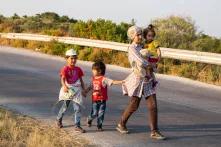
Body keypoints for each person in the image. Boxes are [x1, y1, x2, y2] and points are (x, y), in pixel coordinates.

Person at [116, 26, 166, 140]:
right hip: (138, 79)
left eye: (140, 34)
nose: (140, 37)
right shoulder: (132, 49)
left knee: (153, 105)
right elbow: (140, 61)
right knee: (134, 105)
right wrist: (150, 65)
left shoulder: (143, 46)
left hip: (147, 79)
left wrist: (154, 60)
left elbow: (150, 56)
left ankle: (154, 131)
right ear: (132, 36)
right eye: (137, 35)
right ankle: (121, 124)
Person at [85, 61, 123, 131]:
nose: (92, 71)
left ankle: (99, 125)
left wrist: (121, 82)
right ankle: (89, 119)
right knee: (95, 113)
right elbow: (90, 86)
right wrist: (85, 91)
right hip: (95, 100)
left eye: (94, 70)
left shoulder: (104, 79)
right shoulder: (93, 79)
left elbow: (112, 82)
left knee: (101, 114)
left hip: (102, 100)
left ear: (99, 71)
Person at [56, 48, 86, 133]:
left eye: (75, 58)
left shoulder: (78, 69)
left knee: (77, 108)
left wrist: (83, 90)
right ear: (67, 59)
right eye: (71, 58)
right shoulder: (65, 69)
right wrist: (64, 86)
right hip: (68, 90)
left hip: (76, 91)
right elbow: (62, 79)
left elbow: (81, 80)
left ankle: (77, 125)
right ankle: (59, 119)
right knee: (65, 106)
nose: (73, 60)